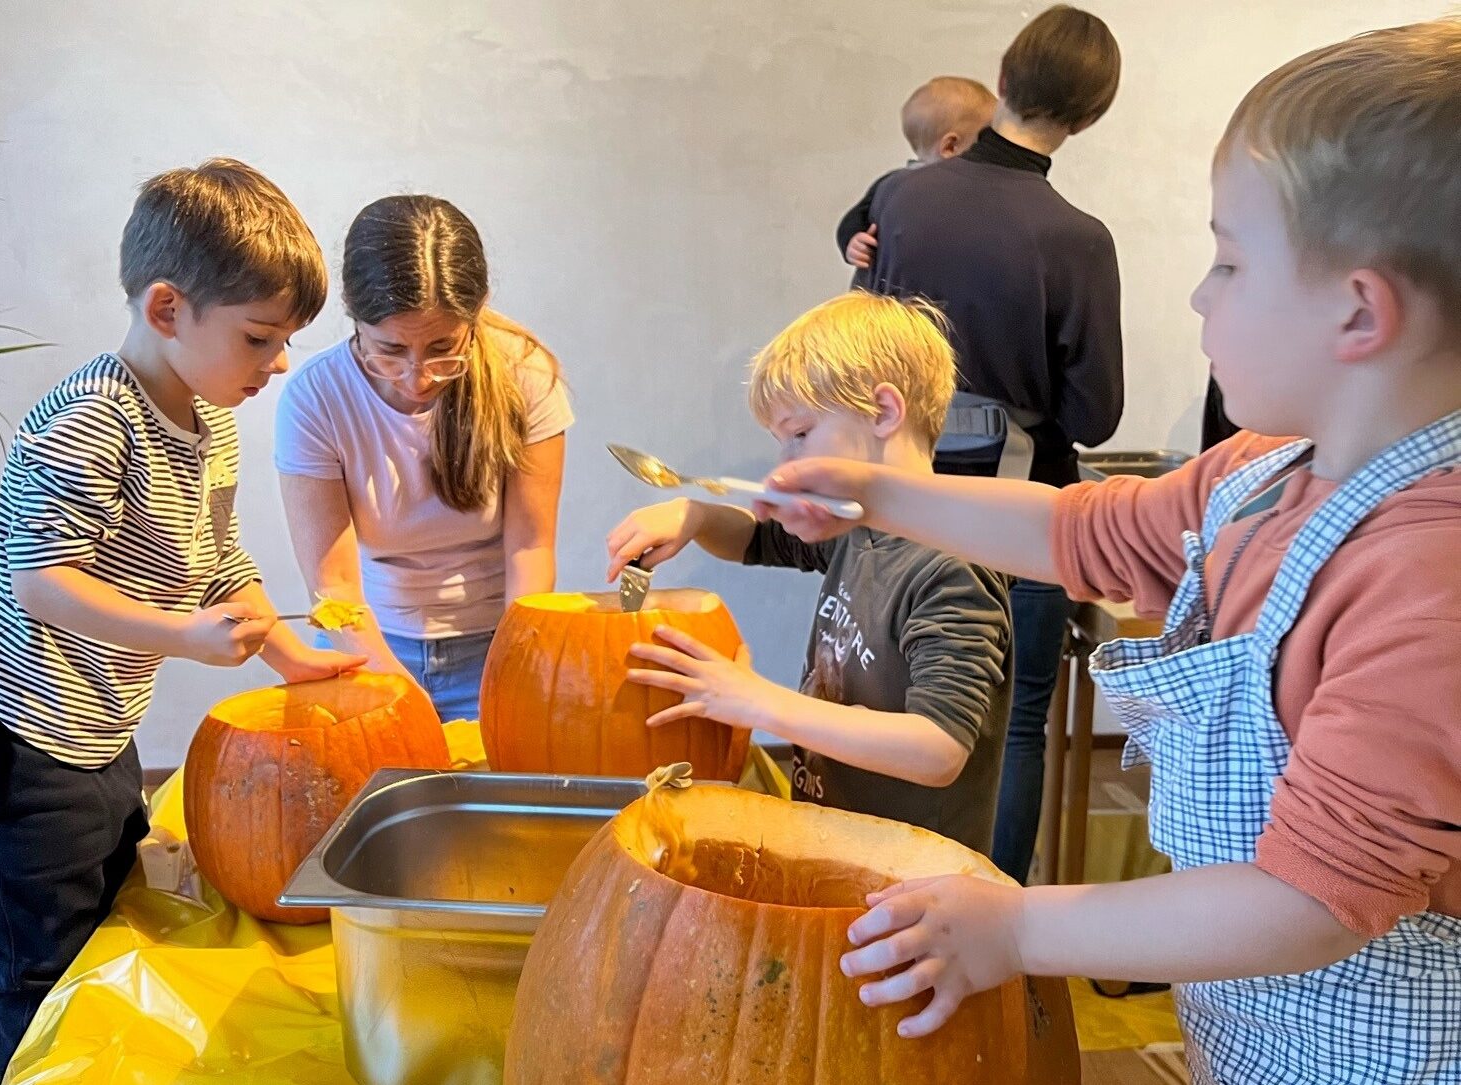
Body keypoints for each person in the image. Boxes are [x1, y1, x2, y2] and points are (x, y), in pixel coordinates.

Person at [766, 20, 1461, 1082]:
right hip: (1251, 1018)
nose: (1199, 295)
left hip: (1384, 1046)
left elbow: (1310, 900)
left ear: (1358, 311)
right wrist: (874, 493)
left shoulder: (1428, 576)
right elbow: (1072, 527)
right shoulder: (1261, 471)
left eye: (1228, 259)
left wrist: (1018, 928)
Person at [0, 158, 363, 1077]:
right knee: (40, 955)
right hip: (13, 729)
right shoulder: (94, 418)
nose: (281, 362)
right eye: (260, 337)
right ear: (169, 309)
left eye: (286, 338)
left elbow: (220, 564)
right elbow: (42, 582)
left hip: (98, 718)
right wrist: (182, 638)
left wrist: (289, 653)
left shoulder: (206, 420)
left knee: (107, 904)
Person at [864, 4, 1124, 883]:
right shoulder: (1078, 239)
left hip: (898, 503)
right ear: (1090, 117)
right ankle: (997, 931)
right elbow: (1095, 417)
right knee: (1014, 722)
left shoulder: (900, 197)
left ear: (1003, 80)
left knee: (891, 705)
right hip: (1022, 521)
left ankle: (876, 899)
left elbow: (859, 336)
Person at [606, 292, 1012, 853]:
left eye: (800, 434)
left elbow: (938, 748)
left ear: (883, 413)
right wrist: (694, 515)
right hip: (839, 846)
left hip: (913, 881)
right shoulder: (858, 529)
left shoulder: (951, 568)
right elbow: (754, 537)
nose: (785, 465)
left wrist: (762, 701)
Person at [275, 196, 571, 722]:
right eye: (389, 351)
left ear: (474, 318)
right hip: (365, 646)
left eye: (443, 348)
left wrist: (512, 665)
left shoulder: (525, 374)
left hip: (495, 643)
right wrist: (396, 694)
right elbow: (335, 587)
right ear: (354, 320)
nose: (419, 378)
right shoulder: (314, 398)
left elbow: (530, 546)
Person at [835, 76, 996, 288]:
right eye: (987, 140)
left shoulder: (979, 187)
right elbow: (854, 218)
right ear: (950, 146)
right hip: (887, 301)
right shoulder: (893, 186)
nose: (995, 148)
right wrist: (853, 241)